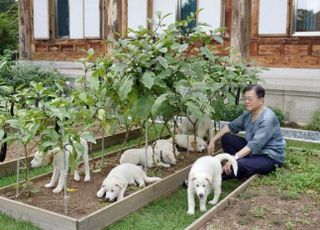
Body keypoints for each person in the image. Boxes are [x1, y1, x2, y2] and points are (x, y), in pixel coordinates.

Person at [207, 84, 286, 179]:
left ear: (261, 100)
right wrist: (213, 140)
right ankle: (243, 164)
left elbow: (254, 145)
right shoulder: (248, 114)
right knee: (227, 138)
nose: (247, 102)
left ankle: (210, 178)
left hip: (269, 157)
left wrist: (233, 158)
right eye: (245, 98)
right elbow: (230, 126)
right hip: (253, 152)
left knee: (238, 164)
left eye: (250, 99)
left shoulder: (267, 118)